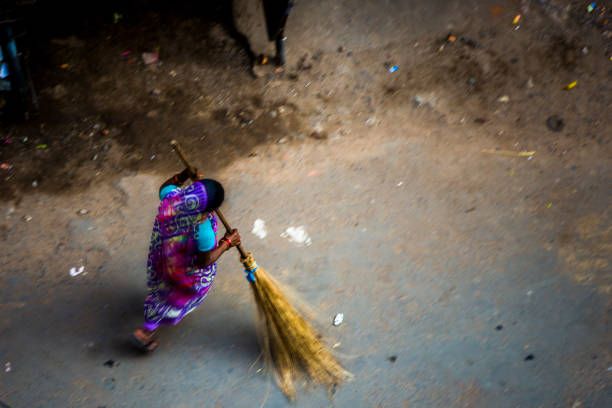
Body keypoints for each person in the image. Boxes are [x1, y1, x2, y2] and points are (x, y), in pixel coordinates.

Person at [131, 168, 241, 351]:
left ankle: (153, 313)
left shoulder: (175, 200)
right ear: (212, 209)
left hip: (164, 257)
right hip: (183, 272)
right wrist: (227, 243)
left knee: (161, 287)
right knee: (171, 298)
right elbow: (203, 262)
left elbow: (166, 187)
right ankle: (145, 331)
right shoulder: (204, 231)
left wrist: (182, 175)